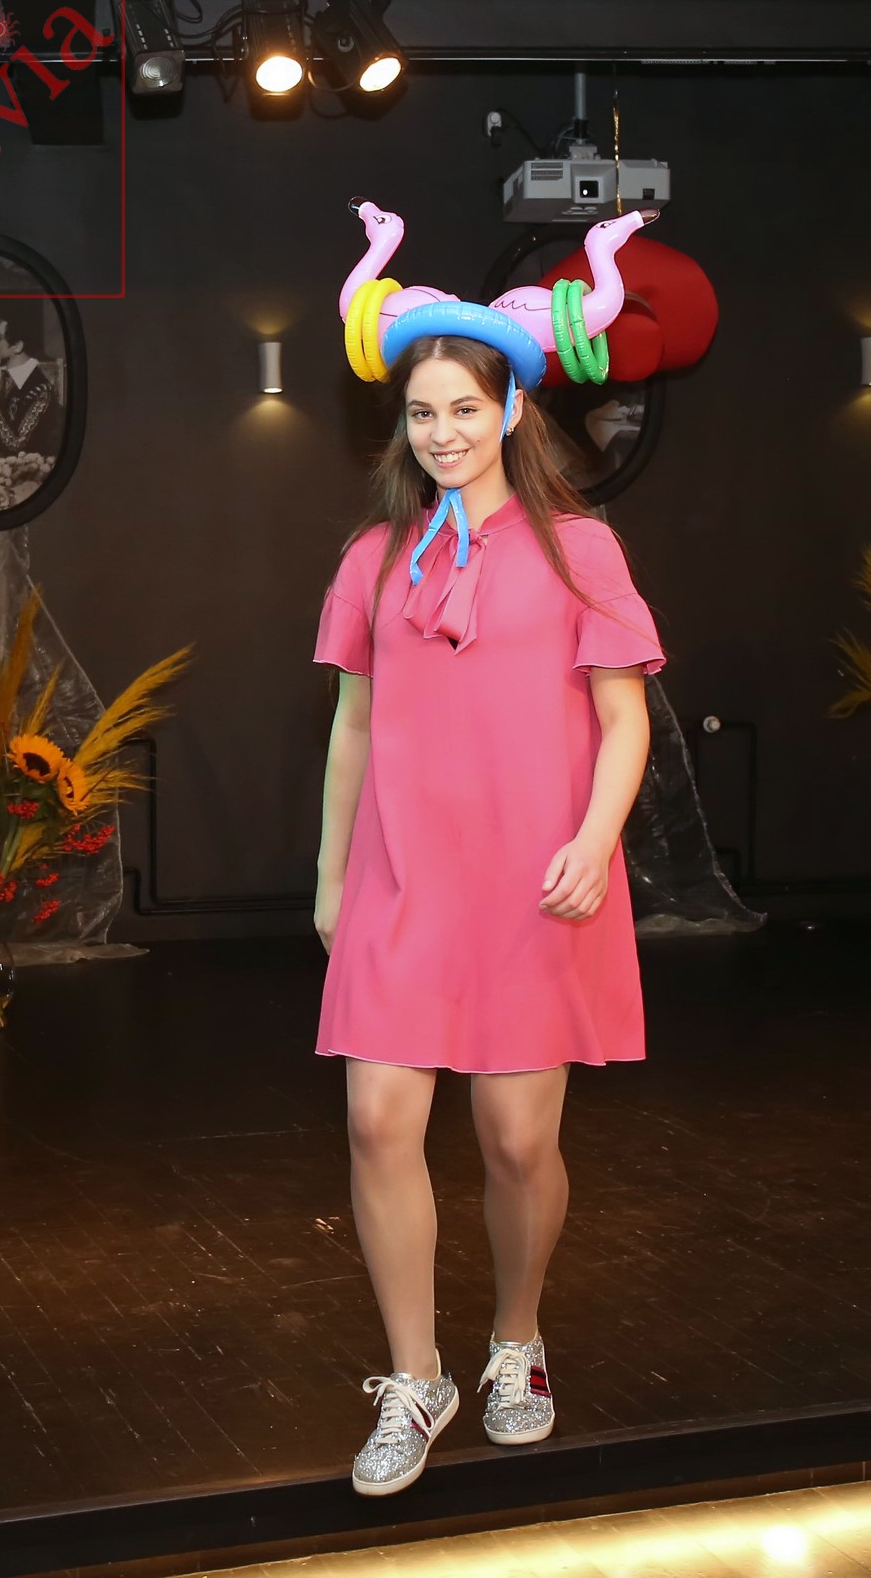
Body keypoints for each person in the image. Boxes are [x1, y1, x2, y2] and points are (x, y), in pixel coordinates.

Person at [313, 326, 665, 1497]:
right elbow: (352, 724)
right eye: (422, 412)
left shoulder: (580, 548)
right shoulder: (374, 557)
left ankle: (517, 1336)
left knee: (516, 1142)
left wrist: (595, 840)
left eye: (464, 408)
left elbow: (623, 719)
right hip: (400, 875)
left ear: (509, 411)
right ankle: (416, 1377)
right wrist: (329, 876)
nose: (442, 432)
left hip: (533, 882)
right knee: (376, 1123)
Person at [0, 316, 64, 460]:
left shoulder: (41, 390)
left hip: (29, 468)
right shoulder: (6, 377)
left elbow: (16, 444)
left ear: (17, 346)